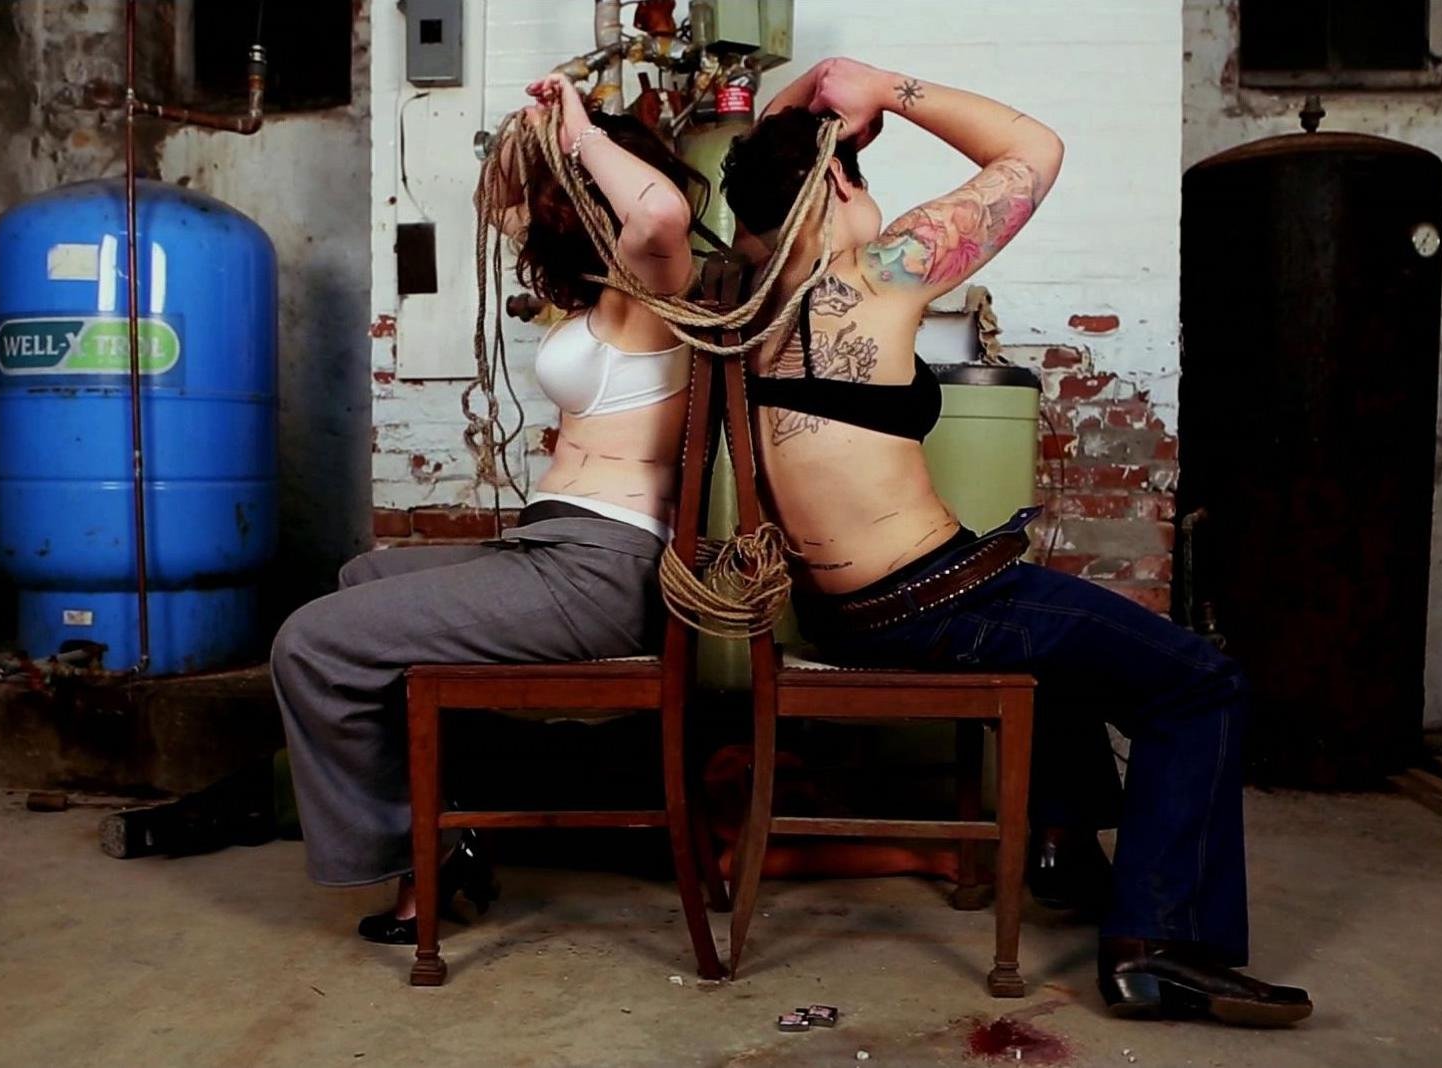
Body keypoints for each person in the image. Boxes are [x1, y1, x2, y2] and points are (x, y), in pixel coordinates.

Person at [719, 58, 1313, 1026]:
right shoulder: (877, 274)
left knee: (1059, 625)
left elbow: (758, 175)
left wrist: (811, 103)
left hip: (846, 613)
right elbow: (1035, 148)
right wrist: (882, 88)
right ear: (832, 188)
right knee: (1202, 683)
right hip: (937, 608)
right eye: (860, 178)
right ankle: (1157, 946)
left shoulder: (752, 296)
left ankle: (1063, 844)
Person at [272, 73, 704, 944]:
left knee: (310, 644)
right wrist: (527, 131)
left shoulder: (658, 288)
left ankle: (424, 856)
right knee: (360, 578)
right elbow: (496, 203)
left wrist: (581, 131)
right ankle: (445, 818)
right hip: (553, 546)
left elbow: (659, 212)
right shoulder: (604, 293)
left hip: (602, 568)